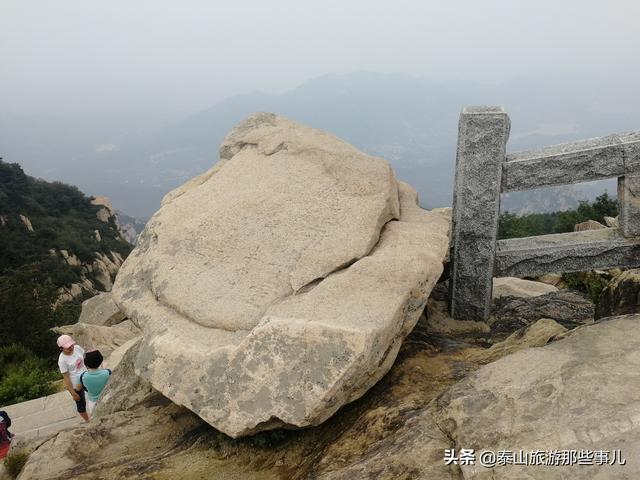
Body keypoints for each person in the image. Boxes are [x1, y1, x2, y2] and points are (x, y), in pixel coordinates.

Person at [57, 334, 89, 422]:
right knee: (81, 404)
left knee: (94, 395)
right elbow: (66, 378)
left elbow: (85, 358)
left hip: (87, 377)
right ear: (61, 348)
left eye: (71, 345)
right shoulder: (62, 360)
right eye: (68, 347)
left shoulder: (77, 348)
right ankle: (88, 420)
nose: (71, 347)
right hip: (76, 384)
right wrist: (73, 393)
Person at [80, 350, 112, 415]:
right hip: (107, 400)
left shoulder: (83, 376)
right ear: (100, 361)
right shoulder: (108, 372)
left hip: (93, 403)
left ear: (86, 364)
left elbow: (83, 388)